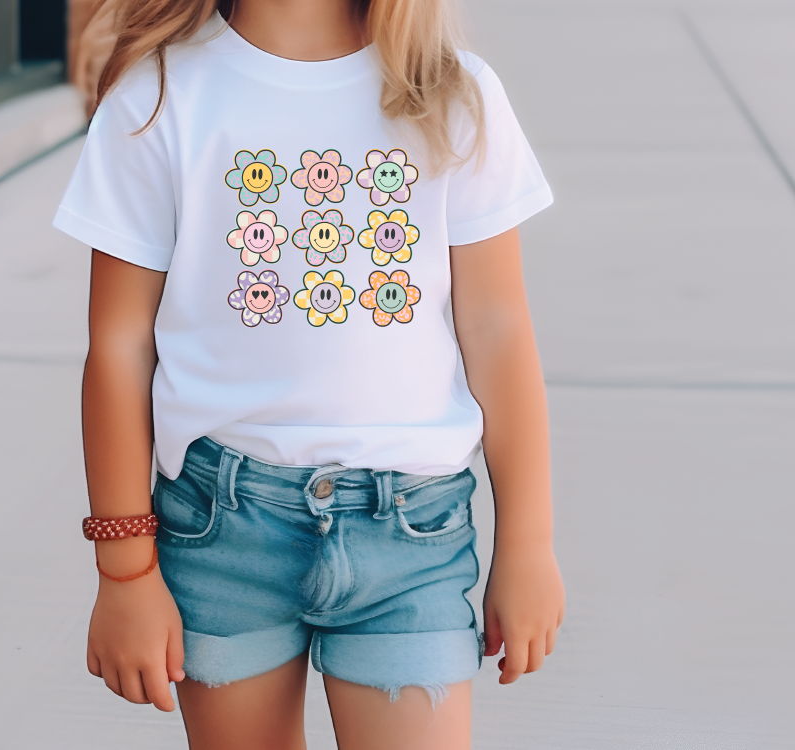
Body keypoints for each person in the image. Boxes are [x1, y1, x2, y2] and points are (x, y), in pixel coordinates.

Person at [54, 0, 565, 747]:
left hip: (410, 536)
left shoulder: (453, 92)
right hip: (222, 530)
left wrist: (528, 543)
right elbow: (119, 346)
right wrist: (124, 571)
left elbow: (498, 330)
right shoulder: (159, 95)